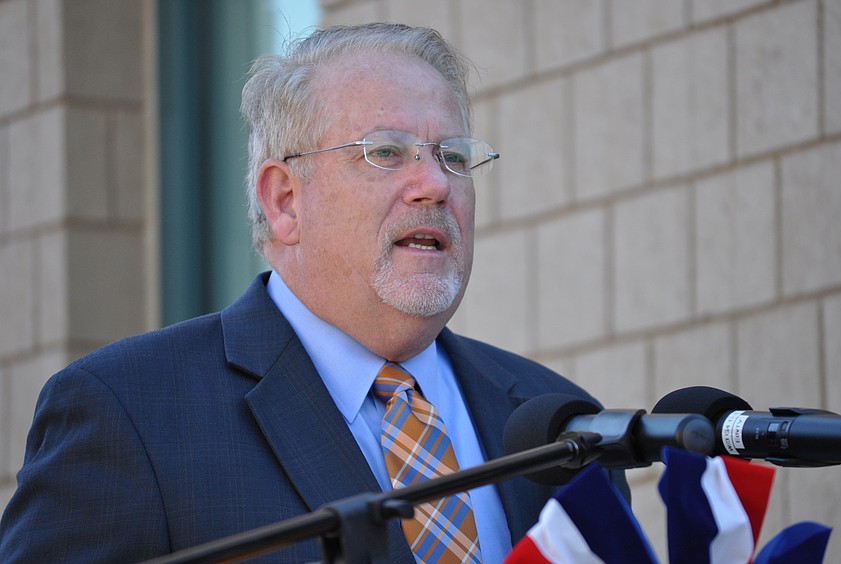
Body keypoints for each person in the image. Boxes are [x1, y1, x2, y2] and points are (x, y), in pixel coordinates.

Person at [0, 23, 628, 562]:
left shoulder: (559, 420)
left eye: (455, 158)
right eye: (387, 152)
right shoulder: (131, 412)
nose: (434, 184)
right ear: (285, 200)